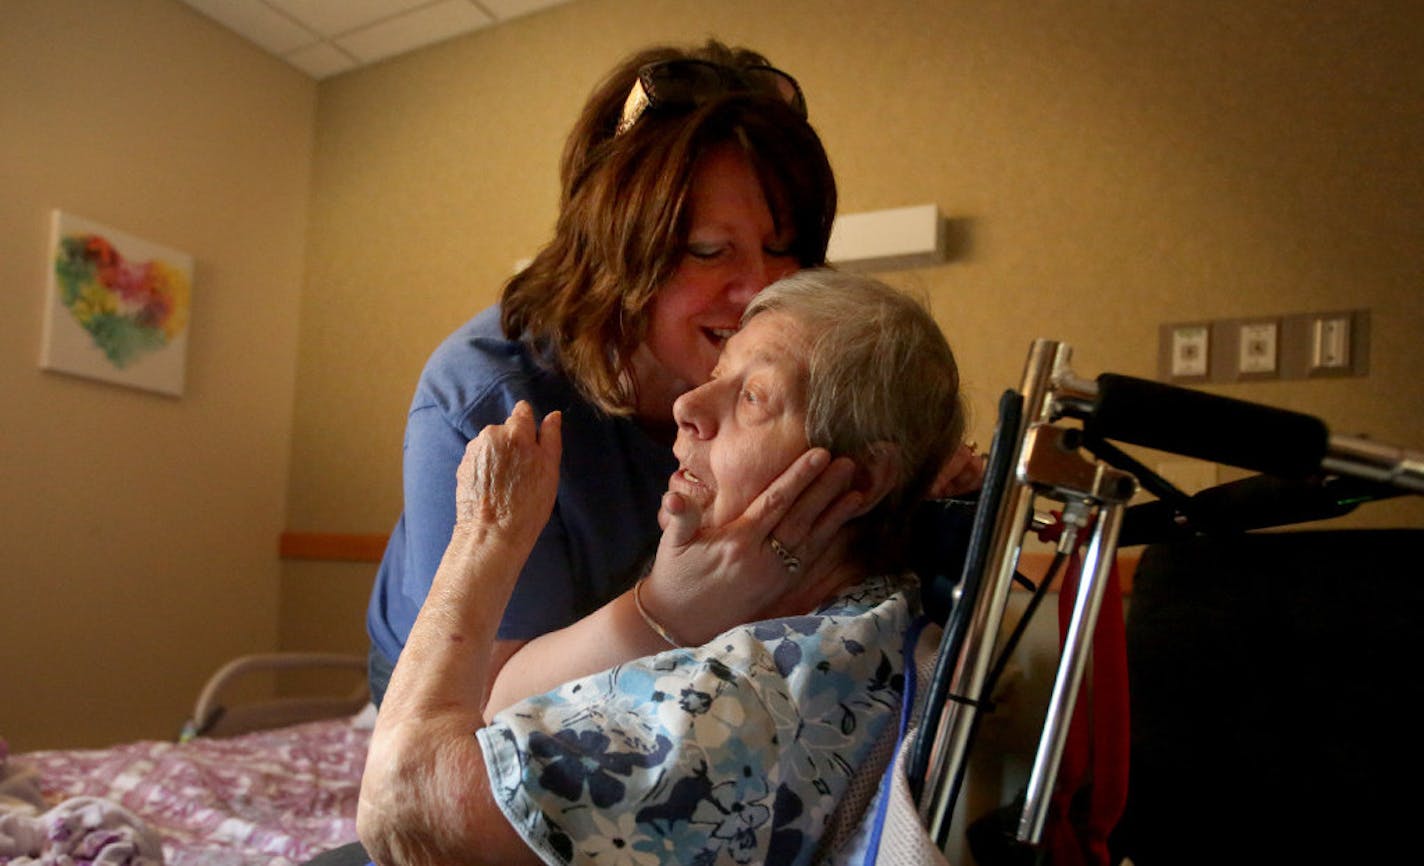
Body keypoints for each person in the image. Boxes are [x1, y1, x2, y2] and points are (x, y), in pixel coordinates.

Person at [358, 269, 965, 866]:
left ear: (862, 478)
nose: (688, 405)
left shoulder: (748, 695)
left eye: (753, 396)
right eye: (717, 374)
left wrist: (485, 534)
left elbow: (408, 803)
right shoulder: (868, 619)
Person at [363, 39, 862, 714]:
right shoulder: (487, 396)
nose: (763, 291)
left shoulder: (793, 374)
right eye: (709, 250)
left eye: (784, 249)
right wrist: (670, 607)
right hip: (450, 686)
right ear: (611, 252)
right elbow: (485, 703)